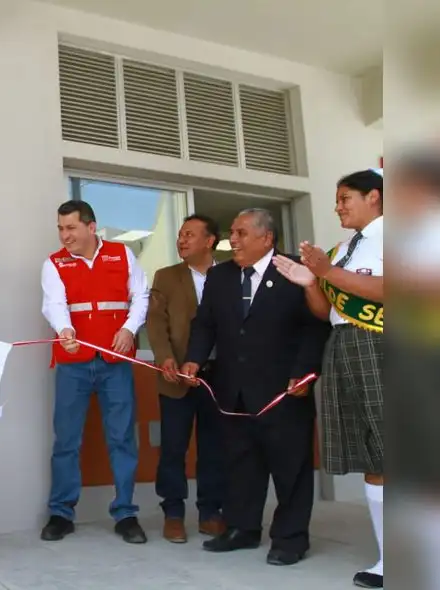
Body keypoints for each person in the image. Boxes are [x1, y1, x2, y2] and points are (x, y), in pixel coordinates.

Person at [180, 208, 329, 566]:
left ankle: (290, 538)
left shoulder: (294, 271)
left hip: (284, 388)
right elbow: (205, 325)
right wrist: (194, 359)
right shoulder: (220, 277)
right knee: (240, 463)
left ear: (267, 238)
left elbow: (316, 326)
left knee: (290, 465)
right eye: (232, 232)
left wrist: (305, 372)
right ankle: (242, 529)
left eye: (242, 233)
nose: (234, 240)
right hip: (233, 390)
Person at [272, 169, 384, 587]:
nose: (337, 206)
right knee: (374, 455)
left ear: (374, 196)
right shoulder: (343, 250)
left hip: (385, 345)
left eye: (344, 198)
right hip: (343, 345)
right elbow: (326, 312)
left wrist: (327, 272)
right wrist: (308, 281)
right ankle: (390, 560)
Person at [39, 200, 150, 544]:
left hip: (115, 363)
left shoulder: (122, 255)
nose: (64, 235)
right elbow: (54, 303)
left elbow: (141, 296)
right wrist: (64, 330)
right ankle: (61, 513)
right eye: (60, 228)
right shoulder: (54, 263)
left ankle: (126, 514)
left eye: (70, 228)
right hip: (73, 364)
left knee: (121, 438)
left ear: (91, 226)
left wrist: (130, 329)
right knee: (67, 440)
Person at [145, 214, 226, 543]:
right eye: (180, 235)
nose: (181, 240)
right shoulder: (166, 277)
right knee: (173, 448)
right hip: (175, 376)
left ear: (209, 241)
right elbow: (155, 324)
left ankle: (209, 512)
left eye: (190, 235)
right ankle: (174, 513)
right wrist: (165, 358)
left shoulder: (230, 276)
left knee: (214, 448)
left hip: (219, 379)